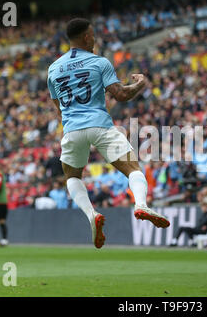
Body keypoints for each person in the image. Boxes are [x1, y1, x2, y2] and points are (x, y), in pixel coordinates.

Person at [47, 18, 170, 249]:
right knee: (133, 168)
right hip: (100, 125)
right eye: (92, 35)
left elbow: (59, 107)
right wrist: (141, 84)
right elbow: (121, 95)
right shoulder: (99, 62)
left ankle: (92, 214)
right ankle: (141, 204)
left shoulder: (53, 69)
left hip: (72, 130)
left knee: (73, 177)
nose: (94, 39)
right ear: (85, 37)